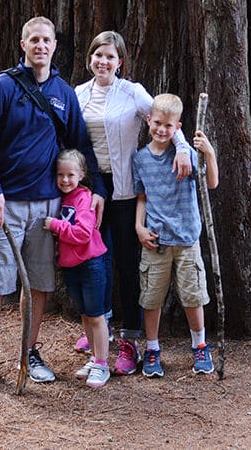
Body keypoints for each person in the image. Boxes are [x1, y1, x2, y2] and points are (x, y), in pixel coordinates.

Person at [0, 16, 106, 396]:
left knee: (39, 283)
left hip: (47, 207)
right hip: (3, 204)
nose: (41, 46)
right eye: (34, 40)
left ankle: (29, 352)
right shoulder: (1, 88)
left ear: (55, 46)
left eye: (47, 40)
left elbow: (79, 145)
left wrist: (98, 187)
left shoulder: (63, 93)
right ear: (23, 44)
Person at [74, 31, 192, 375]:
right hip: (90, 190)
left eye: (110, 57)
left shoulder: (132, 93)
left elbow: (163, 118)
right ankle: (100, 329)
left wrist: (182, 148)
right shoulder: (79, 94)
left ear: (120, 62)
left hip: (124, 190)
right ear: (90, 58)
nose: (103, 62)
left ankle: (130, 341)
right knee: (94, 261)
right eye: (98, 55)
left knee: (126, 265)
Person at [133, 93, 219, 377]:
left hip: (186, 239)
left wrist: (209, 153)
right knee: (151, 297)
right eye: (157, 123)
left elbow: (212, 183)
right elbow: (142, 197)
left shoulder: (186, 155)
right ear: (148, 121)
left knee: (193, 295)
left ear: (177, 127)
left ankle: (200, 345)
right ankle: (153, 348)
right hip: (155, 241)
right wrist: (139, 227)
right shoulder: (141, 159)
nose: (161, 129)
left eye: (168, 126)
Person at [43, 149, 111, 388]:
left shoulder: (84, 198)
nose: (65, 180)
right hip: (71, 266)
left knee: (96, 315)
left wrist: (56, 225)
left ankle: (102, 364)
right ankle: (94, 359)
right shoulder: (61, 199)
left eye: (70, 174)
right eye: (60, 175)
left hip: (90, 263)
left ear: (81, 174)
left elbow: (82, 234)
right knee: (85, 315)